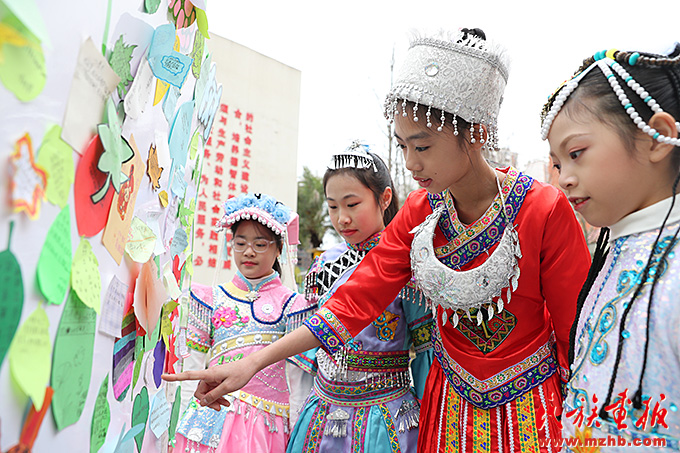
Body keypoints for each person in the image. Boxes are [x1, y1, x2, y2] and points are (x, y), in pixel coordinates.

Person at [164, 28, 591, 452]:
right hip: (447, 408)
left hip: (531, 409)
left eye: (422, 145)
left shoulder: (543, 209)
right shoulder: (422, 212)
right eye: (403, 146)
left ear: (475, 134)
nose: (410, 162)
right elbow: (355, 301)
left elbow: (578, 334)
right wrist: (253, 363)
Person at [541, 45, 680, 449]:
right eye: (558, 163)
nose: (565, 178)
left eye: (576, 153)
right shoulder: (612, 253)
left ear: (659, 138)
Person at [286, 141, 434, 452]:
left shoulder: (406, 264)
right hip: (322, 414)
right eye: (333, 206)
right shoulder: (323, 265)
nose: (342, 218)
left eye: (352, 205)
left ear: (385, 198)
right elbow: (307, 356)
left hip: (386, 419)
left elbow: (425, 352)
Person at [173, 193, 316, 453]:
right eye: (240, 243)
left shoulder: (294, 306)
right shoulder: (209, 299)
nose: (249, 252)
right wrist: (178, 426)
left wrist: (298, 438)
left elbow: (298, 385)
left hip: (266, 429)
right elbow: (191, 371)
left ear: (278, 248)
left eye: (260, 244)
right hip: (208, 422)